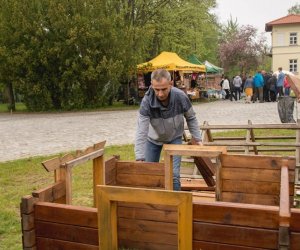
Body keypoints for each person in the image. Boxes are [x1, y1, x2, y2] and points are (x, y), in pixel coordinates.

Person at [135, 69, 202, 191]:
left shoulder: (181, 97)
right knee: (149, 174)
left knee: (174, 175)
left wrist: (197, 138)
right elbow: (141, 130)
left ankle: (177, 206)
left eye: (164, 89)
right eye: (157, 89)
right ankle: (153, 206)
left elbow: (191, 117)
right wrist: (140, 157)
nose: (160, 94)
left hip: (174, 138)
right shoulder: (146, 102)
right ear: (151, 85)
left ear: (171, 84)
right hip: (153, 140)